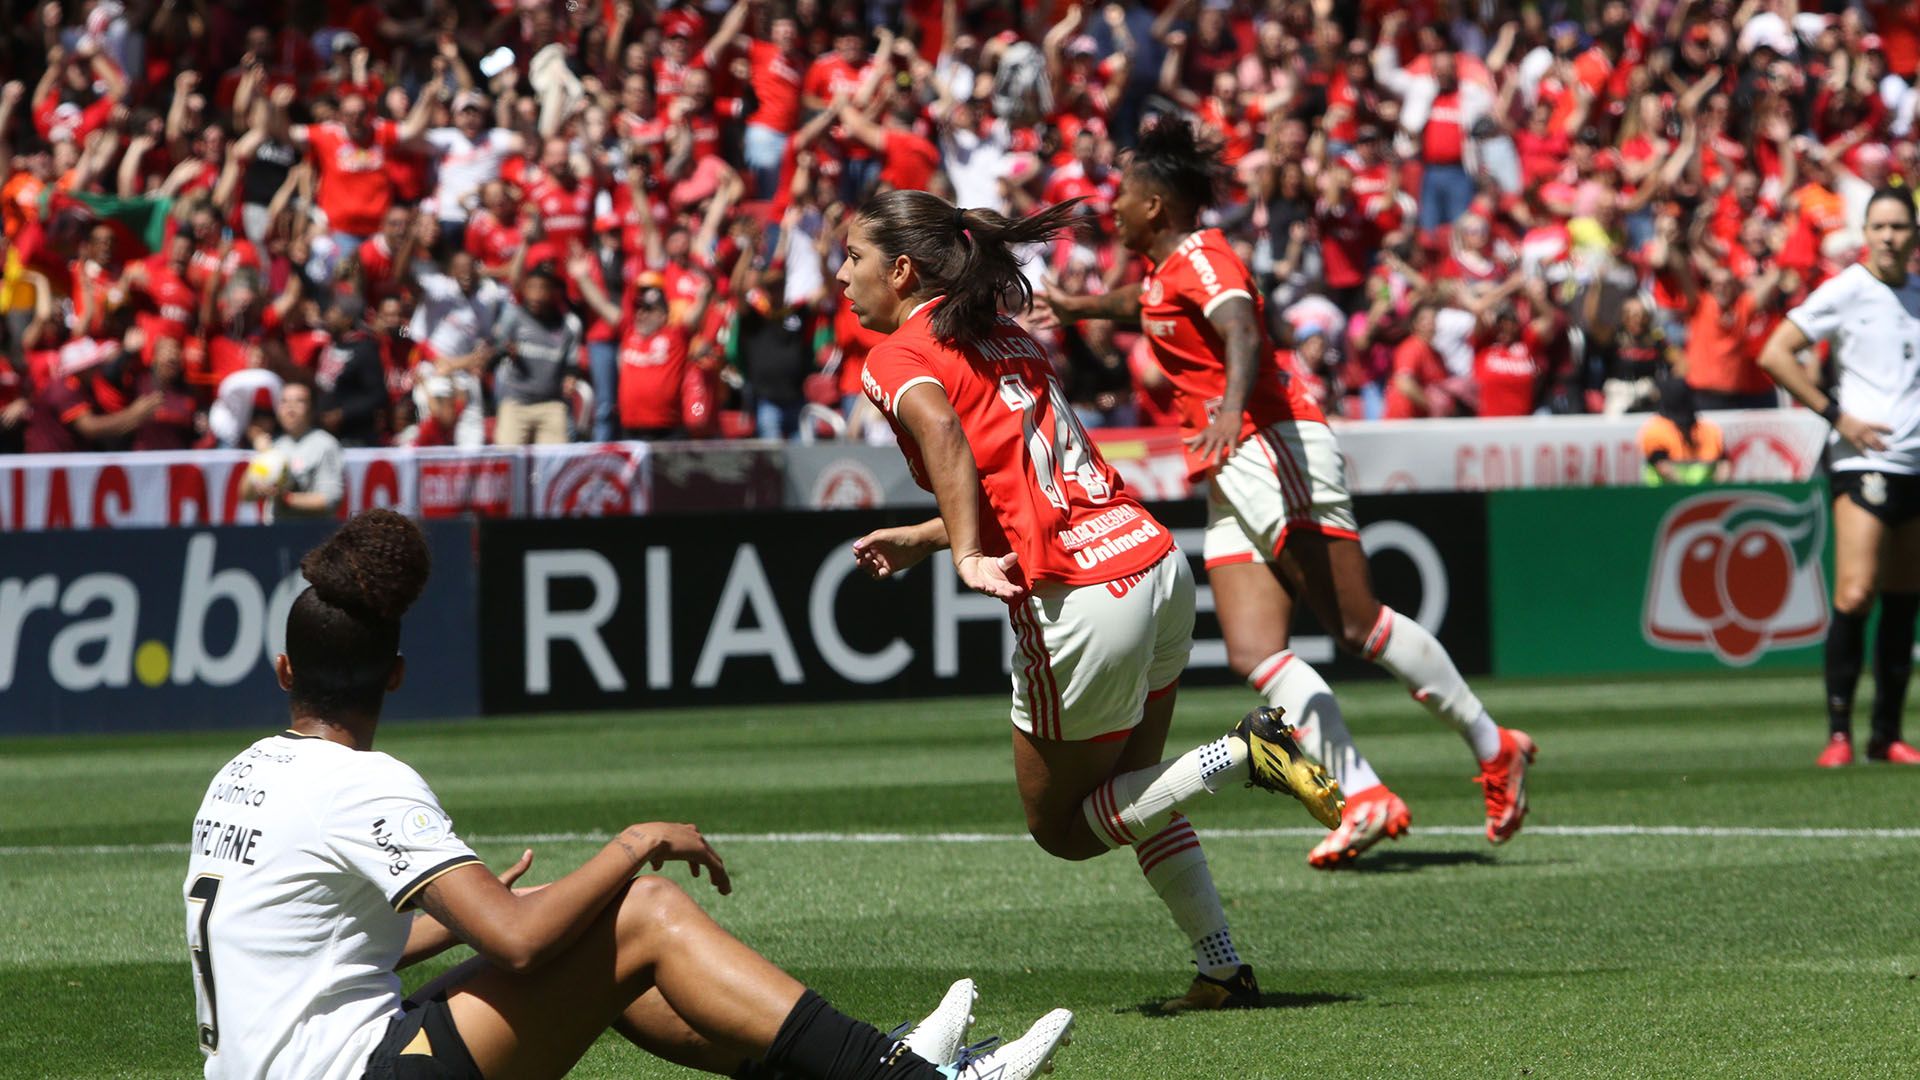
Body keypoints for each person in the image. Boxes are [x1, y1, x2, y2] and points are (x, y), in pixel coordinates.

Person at [183, 509, 1075, 1080]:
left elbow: (316, 949)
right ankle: (903, 1077)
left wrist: (477, 910)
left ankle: (879, 1068)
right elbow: (523, 950)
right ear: (399, 676)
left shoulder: (239, 775)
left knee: (589, 938)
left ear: (284, 671)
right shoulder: (366, 782)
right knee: (640, 909)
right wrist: (633, 843)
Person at [840, 189, 1343, 1013]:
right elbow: (1024, 479)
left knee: (1066, 832)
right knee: (1140, 789)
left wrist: (964, 552)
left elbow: (948, 440)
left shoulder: (897, 356)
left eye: (853, 258)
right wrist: (931, 537)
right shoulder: (999, 333)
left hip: (1078, 595)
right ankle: (1220, 968)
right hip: (1150, 560)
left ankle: (1240, 755)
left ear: (900, 270)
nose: (842, 275)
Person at [1041, 118, 1535, 868]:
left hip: (1271, 444)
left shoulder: (1205, 255)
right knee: (1255, 649)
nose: (1114, 209)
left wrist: (1236, 407)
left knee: (1357, 623)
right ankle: (1364, 793)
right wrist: (1078, 310)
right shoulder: (1162, 271)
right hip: (1231, 462)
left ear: (1159, 206)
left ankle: (1494, 744)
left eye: (1127, 197)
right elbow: (1145, 308)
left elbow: (1240, 326)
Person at [1758, 186, 1920, 767]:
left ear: (1914, 234)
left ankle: (1886, 734)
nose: (1888, 237)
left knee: (1904, 600)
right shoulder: (1850, 288)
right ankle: (1838, 732)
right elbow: (1776, 352)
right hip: (1862, 461)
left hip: (1915, 464)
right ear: (1865, 232)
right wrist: (1837, 415)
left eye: (1899, 227)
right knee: (1855, 592)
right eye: (1878, 226)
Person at [490, 266, 583, 446]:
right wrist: (504, 352)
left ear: (552, 292)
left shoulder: (567, 326)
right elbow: (493, 354)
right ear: (524, 290)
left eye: (542, 288)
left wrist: (570, 378)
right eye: (531, 288)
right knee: (508, 458)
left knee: (554, 463)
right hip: (516, 403)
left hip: (551, 404)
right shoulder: (513, 318)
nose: (536, 295)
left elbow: (572, 363)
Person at [243, 378, 343, 521]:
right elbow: (246, 495)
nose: (290, 408)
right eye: (284, 402)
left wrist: (286, 498)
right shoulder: (273, 445)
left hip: (310, 535)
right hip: (275, 534)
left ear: (311, 409)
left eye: (299, 401)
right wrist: (262, 456)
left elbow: (330, 500)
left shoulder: (325, 445)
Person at [1638, 378, 1730, 486]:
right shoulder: (1657, 431)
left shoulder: (1709, 430)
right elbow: (1663, 467)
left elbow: (1724, 465)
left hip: (1700, 497)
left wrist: (1713, 490)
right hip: (1661, 496)